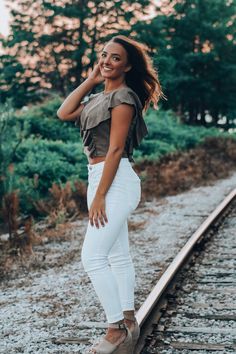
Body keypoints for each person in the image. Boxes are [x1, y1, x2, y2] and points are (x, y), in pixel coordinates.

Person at [57, 34, 165, 354]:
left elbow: (116, 149)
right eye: (104, 55)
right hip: (99, 179)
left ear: (128, 65)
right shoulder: (98, 98)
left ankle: (115, 329)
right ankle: (128, 318)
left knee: (92, 257)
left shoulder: (124, 98)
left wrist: (101, 194)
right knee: (117, 255)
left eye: (115, 58)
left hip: (114, 180)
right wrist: (91, 79)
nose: (106, 61)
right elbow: (64, 112)